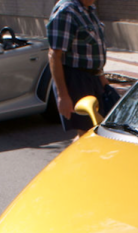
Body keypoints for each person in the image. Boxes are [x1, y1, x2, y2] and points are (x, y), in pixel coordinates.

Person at [46, 0, 114, 135]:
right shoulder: (66, 11)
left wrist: (101, 77)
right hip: (77, 79)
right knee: (86, 131)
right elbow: (54, 55)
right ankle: (74, 156)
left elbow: (91, 49)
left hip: (94, 78)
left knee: (99, 127)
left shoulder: (89, 9)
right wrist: (63, 96)